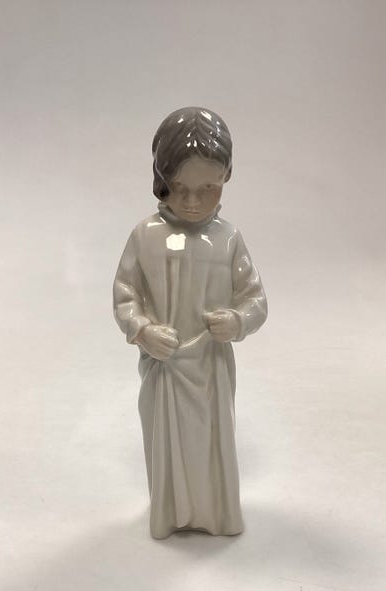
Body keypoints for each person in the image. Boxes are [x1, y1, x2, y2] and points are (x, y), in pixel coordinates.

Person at [113, 107, 267, 539]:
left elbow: (255, 299)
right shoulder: (146, 235)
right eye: (180, 188)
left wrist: (237, 321)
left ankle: (216, 513)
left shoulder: (228, 239)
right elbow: (125, 295)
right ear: (162, 178)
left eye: (208, 189)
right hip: (164, 369)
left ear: (226, 179)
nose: (193, 201)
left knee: (212, 443)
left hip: (211, 369)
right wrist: (143, 330)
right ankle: (170, 513)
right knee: (166, 443)